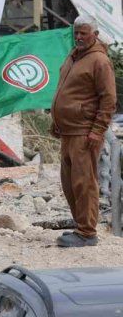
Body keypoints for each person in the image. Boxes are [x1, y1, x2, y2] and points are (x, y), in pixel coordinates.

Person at [50, 14, 117, 247]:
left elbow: (109, 100)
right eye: (76, 33)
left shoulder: (99, 61)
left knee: (84, 181)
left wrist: (97, 130)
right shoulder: (74, 55)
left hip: (84, 132)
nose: (78, 37)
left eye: (83, 33)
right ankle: (80, 226)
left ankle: (87, 232)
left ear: (95, 35)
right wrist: (56, 119)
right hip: (68, 131)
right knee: (69, 181)